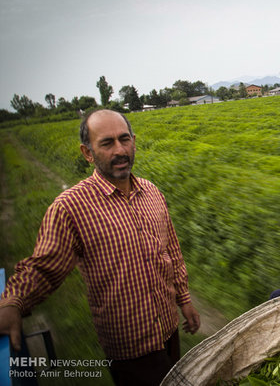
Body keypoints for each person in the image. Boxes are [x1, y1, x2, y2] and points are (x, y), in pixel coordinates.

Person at [0, 109, 201, 385]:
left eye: (124, 139)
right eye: (107, 143)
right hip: (130, 347)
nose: (120, 150)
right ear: (88, 152)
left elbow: (172, 252)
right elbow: (44, 267)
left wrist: (184, 300)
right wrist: (14, 301)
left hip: (168, 329)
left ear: (133, 141)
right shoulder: (71, 207)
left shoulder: (152, 192)